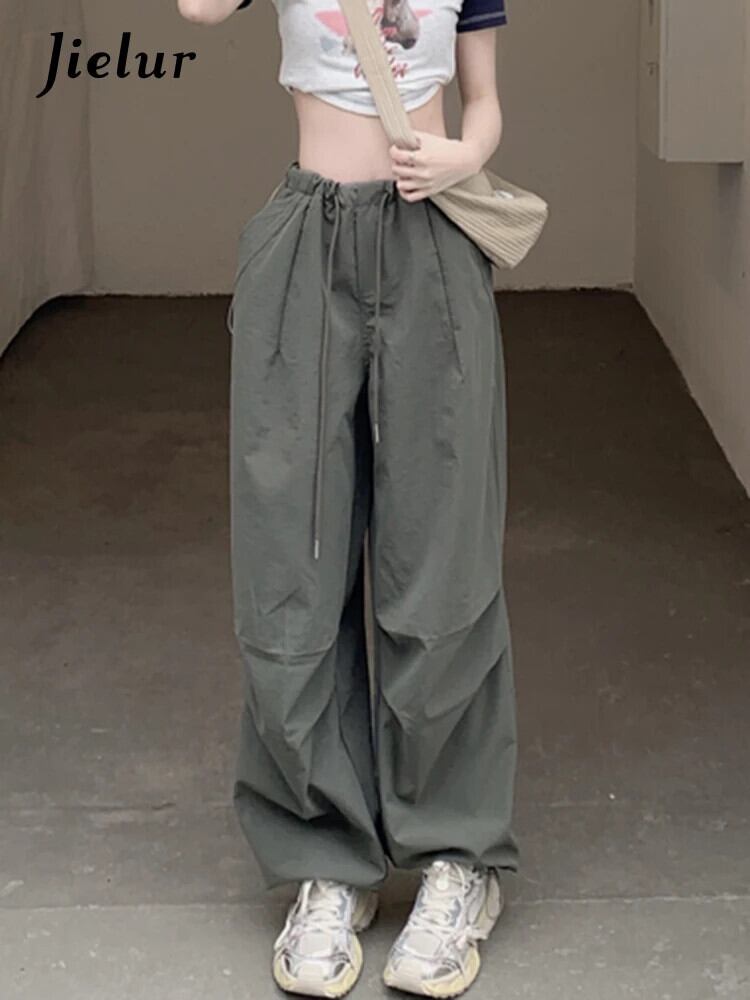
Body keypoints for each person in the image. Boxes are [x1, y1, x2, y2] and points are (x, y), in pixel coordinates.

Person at [178, 0, 519, 994]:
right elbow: (197, 7)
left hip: (432, 243)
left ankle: (457, 856)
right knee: (293, 558)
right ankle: (325, 860)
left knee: (443, 557)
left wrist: (464, 155)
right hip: (308, 240)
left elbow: (486, 104)